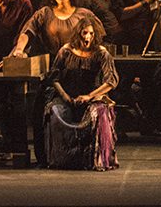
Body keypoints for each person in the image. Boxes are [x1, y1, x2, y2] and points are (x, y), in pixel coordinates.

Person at [40, 19, 120, 171]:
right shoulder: (66, 51)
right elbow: (54, 77)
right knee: (55, 111)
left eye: (91, 33)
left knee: (99, 113)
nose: (88, 37)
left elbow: (111, 81)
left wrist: (89, 96)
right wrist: (65, 97)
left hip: (93, 97)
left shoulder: (101, 53)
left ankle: (95, 159)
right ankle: (61, 159)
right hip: (68, 96)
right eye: (85, 33)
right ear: (78, 34)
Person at [13, 0, 106, 60]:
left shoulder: (84, 14)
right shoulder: (45, 13)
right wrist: (19, 50)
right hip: (52, 64)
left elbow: (99, 36)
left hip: (79, 63)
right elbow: (27, 32)